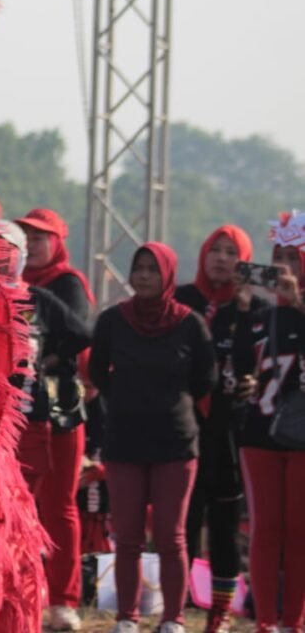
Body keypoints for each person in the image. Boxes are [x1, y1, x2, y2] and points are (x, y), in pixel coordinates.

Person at [89, 243, 217, 633]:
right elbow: (97, 372)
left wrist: (167, 403)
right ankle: (128, 616)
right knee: (126, 536)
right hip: (124, 441)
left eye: (152, 269)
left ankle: (172, 619)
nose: (143, 275)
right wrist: (128, 401)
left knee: (170, 537)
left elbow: (204, 379)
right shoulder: (113, 320)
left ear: (168, 275)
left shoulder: (190, 323)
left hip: (175, 443)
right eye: (138, 268)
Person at [174, 225, 264, 633]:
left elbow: (254, 364)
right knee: (181, 523)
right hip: (182, 428)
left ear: (244, 260)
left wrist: (243, 310)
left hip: (231, 429)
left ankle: (220, 614)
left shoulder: (255, 307)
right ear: (203, 254)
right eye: (216, 250)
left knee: (225, 527)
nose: (222, 259)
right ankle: (174, 610)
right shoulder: (180, 300)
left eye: (232, 252)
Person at [14, 207, 93, 630]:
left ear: (57, 241)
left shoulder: (64, 284)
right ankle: (24, 593)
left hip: (58, 412)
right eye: (24, 236)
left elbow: (80, 332)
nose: (31, 244)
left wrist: (42, 360)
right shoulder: (6, 285)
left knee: (59, 505)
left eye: (40, 237)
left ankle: (63, 598)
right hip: (18, 415)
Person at [233, 211, 305, 633]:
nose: (283, 269)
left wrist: (298, 301)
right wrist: (241, 309)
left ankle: (293, 623)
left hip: (302, 438)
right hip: (259, 432)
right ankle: (264, 623)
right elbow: (240, 362)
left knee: (299, 533)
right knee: (265, 531)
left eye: (293, 259)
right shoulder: (260, 312)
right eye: (277, 258)